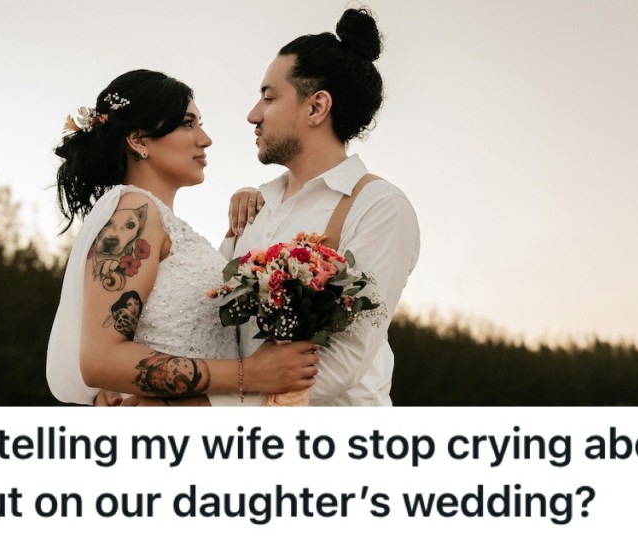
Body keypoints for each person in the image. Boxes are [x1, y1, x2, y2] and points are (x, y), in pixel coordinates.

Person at [45, 69, 320, 407]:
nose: (204, 139)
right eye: (188, 123)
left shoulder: (163, 221)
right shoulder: (135, 213)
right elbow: (101, 360)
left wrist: (256, 201)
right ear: (140, 140)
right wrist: (248, 374)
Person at [213, 7, 420, 406]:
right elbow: (215, 320)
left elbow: (346, 358)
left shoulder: (380, 207)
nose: (253, 115)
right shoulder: (256, 205)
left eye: (268, 97)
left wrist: (205, 407)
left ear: (315, 107)